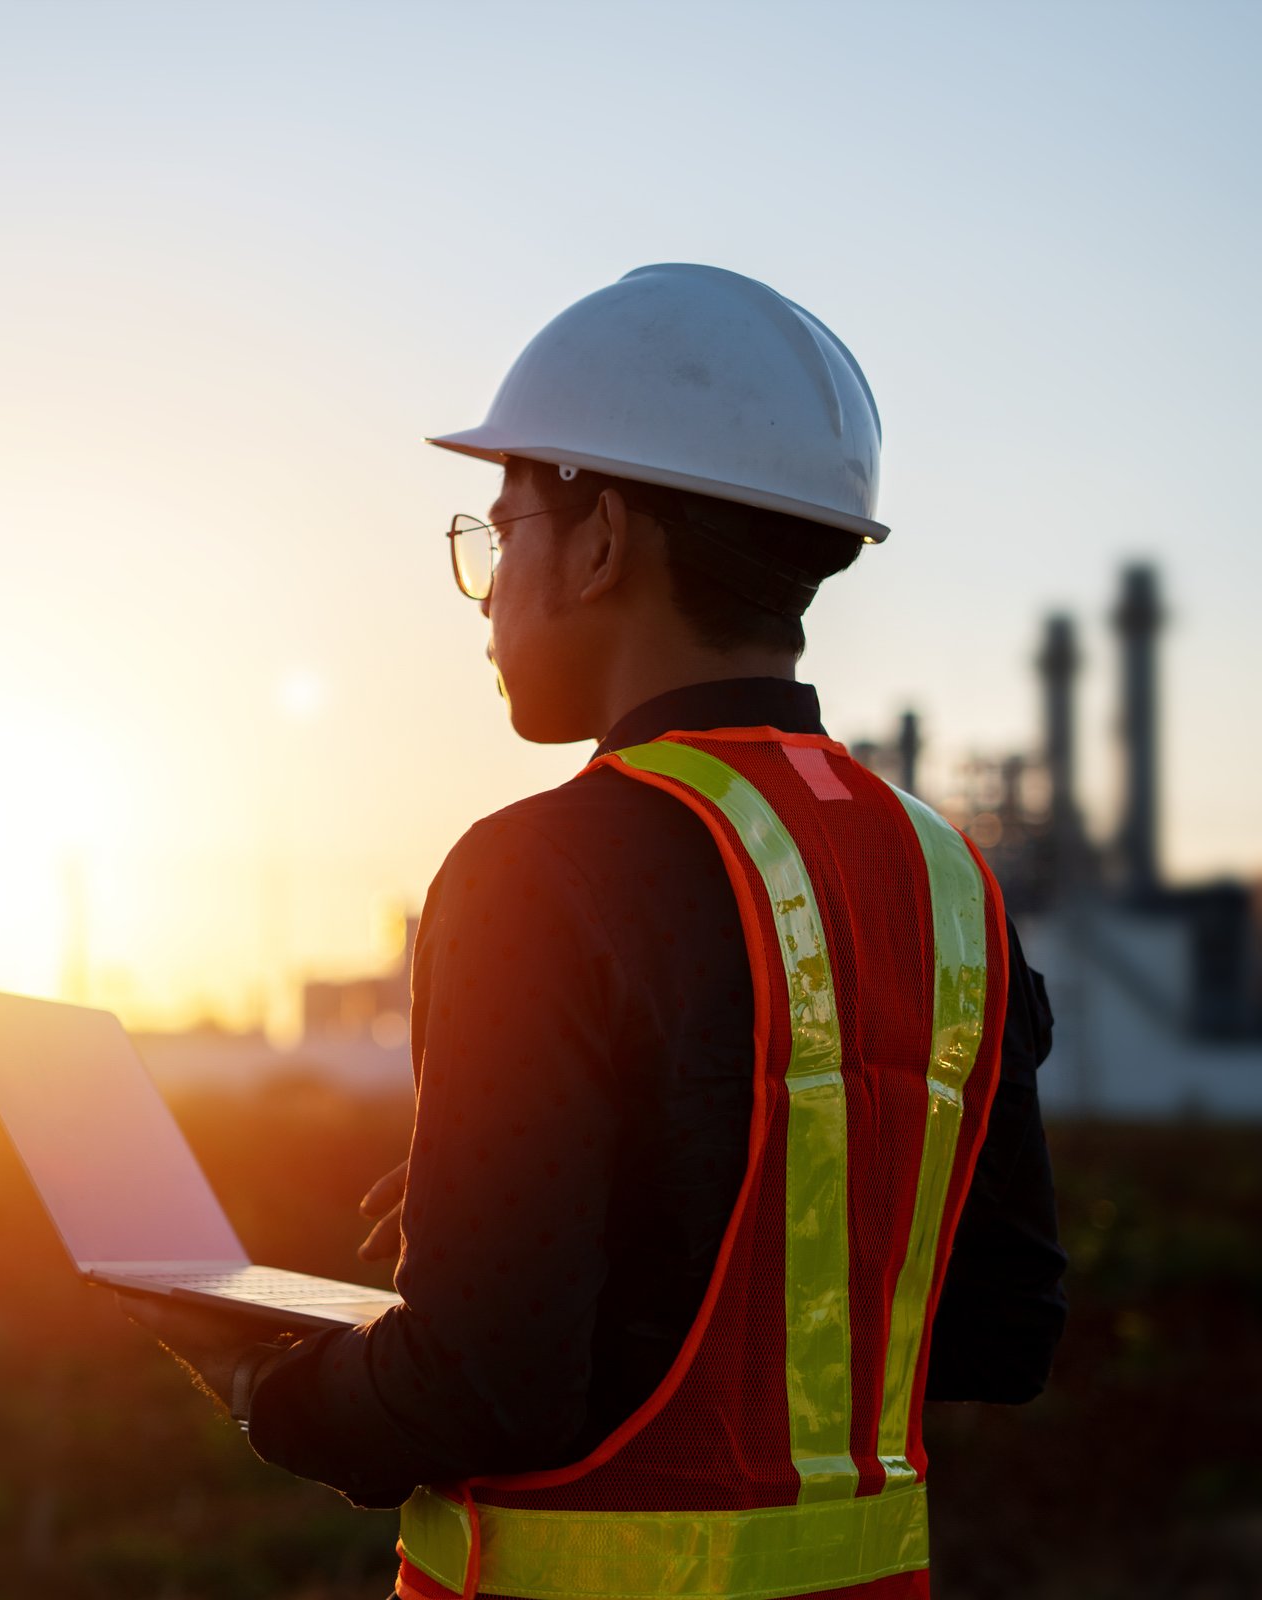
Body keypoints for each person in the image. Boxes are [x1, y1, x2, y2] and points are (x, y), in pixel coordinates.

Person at [123, 264, 1067, 1600]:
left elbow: (481, 1393)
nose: (491, 588)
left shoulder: (540, 873)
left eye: (501, 531)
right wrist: (624, 1215)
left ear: (603, 539)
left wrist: (262, 1382)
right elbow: (999, 1333)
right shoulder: (948, 877)